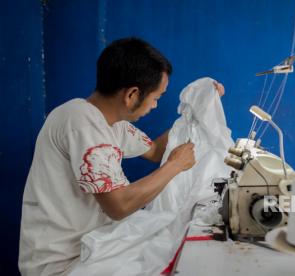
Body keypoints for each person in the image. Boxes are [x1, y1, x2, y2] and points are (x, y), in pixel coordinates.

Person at [18, 37, 225, 275]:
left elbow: (156, 151)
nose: (156, 105)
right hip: (63, 264)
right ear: (132, 94)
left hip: (96, 245)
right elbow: (119, 206)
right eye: (156, 97)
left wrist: (198, 110)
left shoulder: (112, 124)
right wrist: (175, 166)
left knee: (173, 245)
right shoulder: (80, 123)